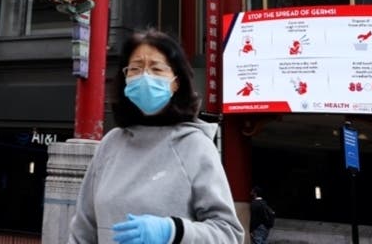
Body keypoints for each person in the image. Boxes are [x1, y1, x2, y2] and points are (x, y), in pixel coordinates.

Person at [69, 28, 244, 244]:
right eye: (135, 68)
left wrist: (174, 231)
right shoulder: (110, 144)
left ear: (176, 82)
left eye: (156, 68)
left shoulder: (195, 145)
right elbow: (83, 229)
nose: (145, 76)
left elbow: (228, 233)